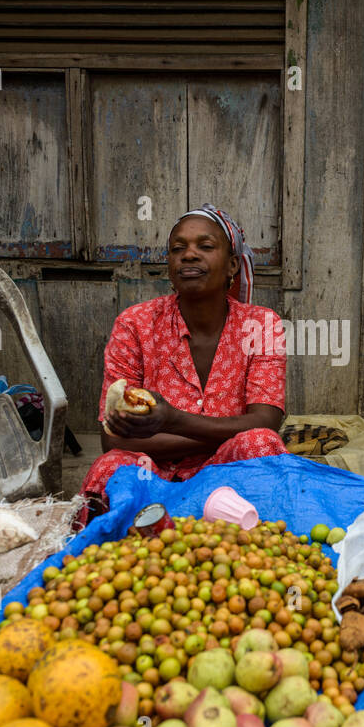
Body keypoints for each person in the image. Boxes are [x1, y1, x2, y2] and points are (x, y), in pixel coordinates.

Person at [75, 204, 287, 527]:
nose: (189, 255)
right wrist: (221, 432)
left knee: (260, 443)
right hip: (152, 474)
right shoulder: (135, 324)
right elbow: (114, 439)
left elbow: (265, 422)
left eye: (205, 246)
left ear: (232, 265)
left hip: (226, 474)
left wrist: (171, 420)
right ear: (170, 265)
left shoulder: (261, 325)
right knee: (113, 466)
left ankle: (248, 531)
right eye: (178, 249)